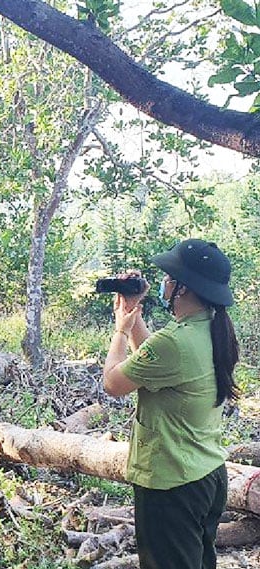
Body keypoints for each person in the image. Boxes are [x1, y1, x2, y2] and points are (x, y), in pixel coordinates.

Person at [103, 239, 239, 569]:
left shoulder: (175, 342)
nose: (162, 283)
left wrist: (120, 331)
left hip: (171, 484)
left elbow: (113, 383)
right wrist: (133, 316)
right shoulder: (210, 328)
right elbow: (156, 359)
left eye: (168, 277)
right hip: (206, 475)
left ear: (182, 289)